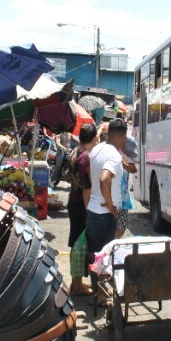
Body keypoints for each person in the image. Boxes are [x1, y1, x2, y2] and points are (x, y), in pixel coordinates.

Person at [85, 118, 127, 305]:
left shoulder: (97, 149)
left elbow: (94, 176)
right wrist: (110, 205)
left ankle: (98, 293)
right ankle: (101, 296)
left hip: (93, 211)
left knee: (96, 254)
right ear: (124, 137)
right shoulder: (114, 156)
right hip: (103, 214)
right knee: (103, 255)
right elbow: (104, 178)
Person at [67, 123, 98, 295]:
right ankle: (77, 284)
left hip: (73, 200)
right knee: (79, 244)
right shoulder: (86, 157)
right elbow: (87, 188)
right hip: (80, 203)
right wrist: (89, 211)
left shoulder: (75, 152)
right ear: (94, 138)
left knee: (75, 243)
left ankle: (75, 282)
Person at [115, 140, 138, 239]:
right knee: (110, 224)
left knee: (122, 225)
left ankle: (113, 243)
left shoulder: (124, 154)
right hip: (110, 197)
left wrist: (123, 164)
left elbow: (134, 169)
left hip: (124, 197)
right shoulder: (107, 153)